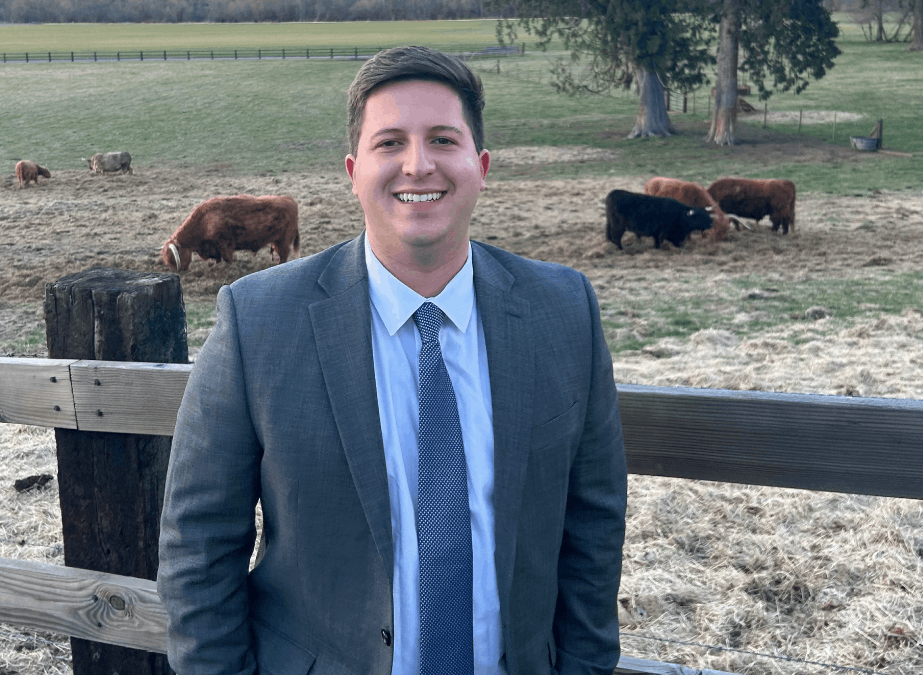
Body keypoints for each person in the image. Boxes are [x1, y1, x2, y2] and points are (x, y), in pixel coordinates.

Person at [158, 45, 627, 675]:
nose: (418, 165)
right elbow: (199, 544)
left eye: (442, 139)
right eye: (389, 143)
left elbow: (593, 526)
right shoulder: (258, 320)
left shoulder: (563, 310)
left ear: (480, 166)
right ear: (353, 171)